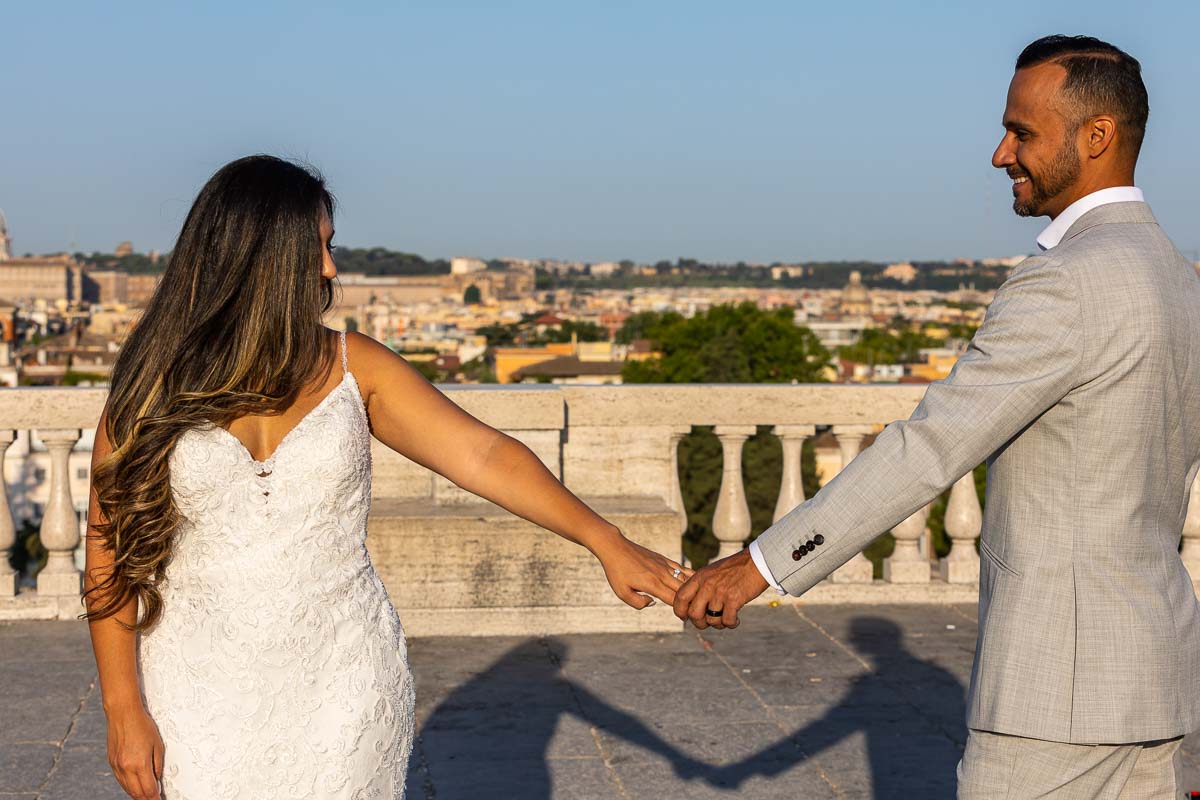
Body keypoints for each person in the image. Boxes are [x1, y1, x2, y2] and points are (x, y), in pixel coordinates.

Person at [675, 34, 1200, 798]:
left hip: (1056, 696)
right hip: (1158, 679)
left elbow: (928, 450)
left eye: (1022, 132)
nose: (1000, 154)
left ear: (1097, 137)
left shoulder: (1065, 283)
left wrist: (759, 565)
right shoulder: (1180, 281)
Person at [82, 155, 691, 800]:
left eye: (329, 247)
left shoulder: (355, 365)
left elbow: (483, 455)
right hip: (197, 691)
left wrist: (606, 540)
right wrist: (124, 712)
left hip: (345, 681)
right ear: (258, 258)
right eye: (313, 249)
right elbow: (106, 554)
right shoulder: (151, 389)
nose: (329, 269)